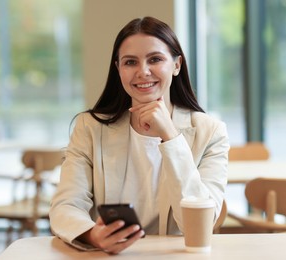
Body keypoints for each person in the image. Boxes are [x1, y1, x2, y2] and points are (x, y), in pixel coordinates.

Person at [49, 16, 229, 254]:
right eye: (130, 62)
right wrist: (93, 235)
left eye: (155, 59)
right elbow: (65, 205)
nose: (143, 72)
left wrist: (171, 137)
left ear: (176, 65)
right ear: (118, 69)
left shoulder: (211, 132)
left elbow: (197, 226)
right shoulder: (89, 128)